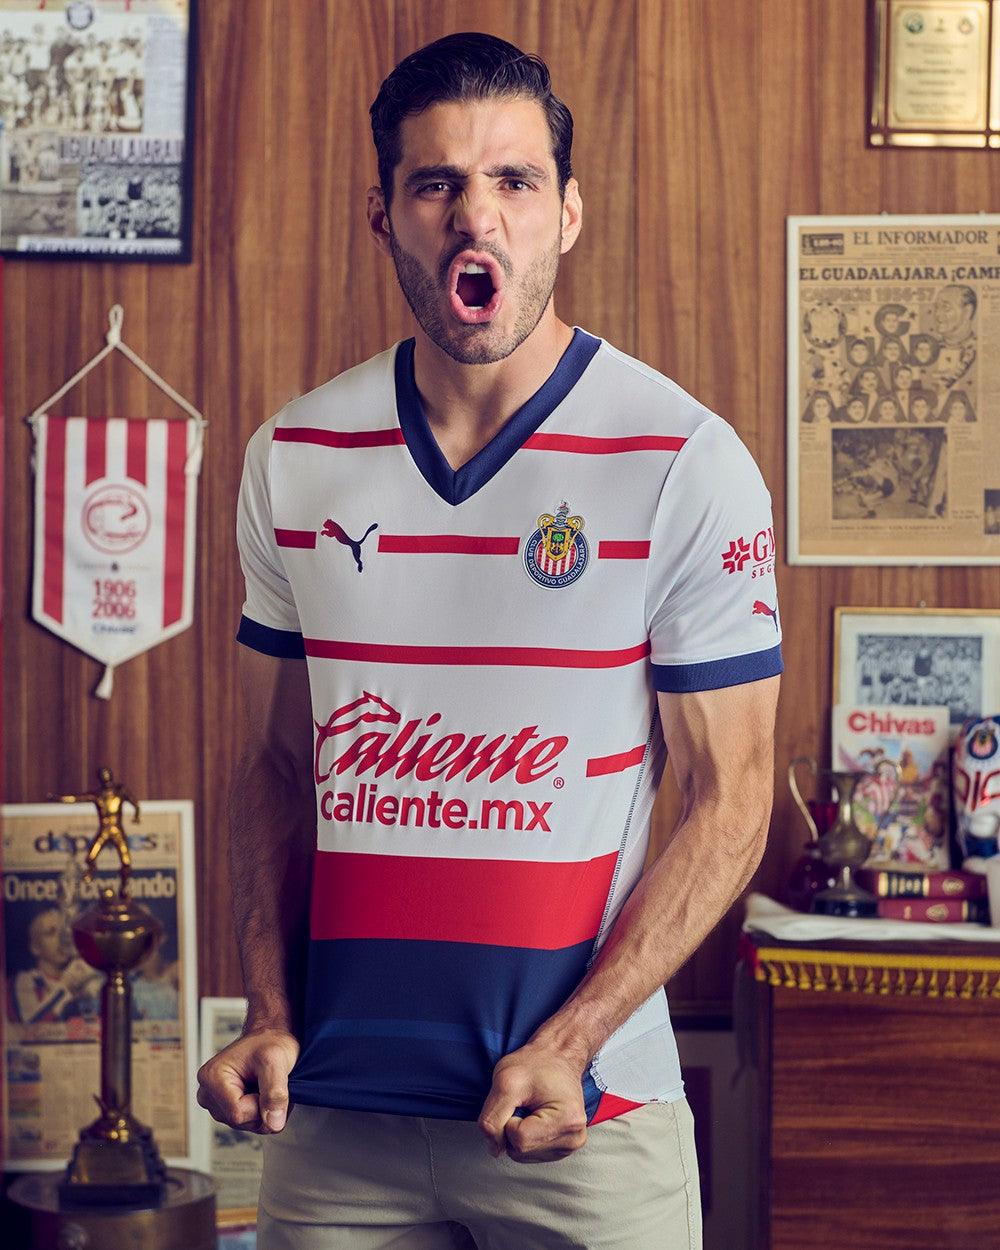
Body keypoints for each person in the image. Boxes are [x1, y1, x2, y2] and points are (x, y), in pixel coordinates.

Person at [197, 33, 780, 1250]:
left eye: (514, 180)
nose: (477, 217)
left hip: (586, 1117)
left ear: (566, 213)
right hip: (333, 1119)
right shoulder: (293, 455)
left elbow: (731, 797)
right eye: (437, 184)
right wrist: (265, 1004)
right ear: (384, 216)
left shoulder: (683, 460)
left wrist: (575, 1038)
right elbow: (276, 765)